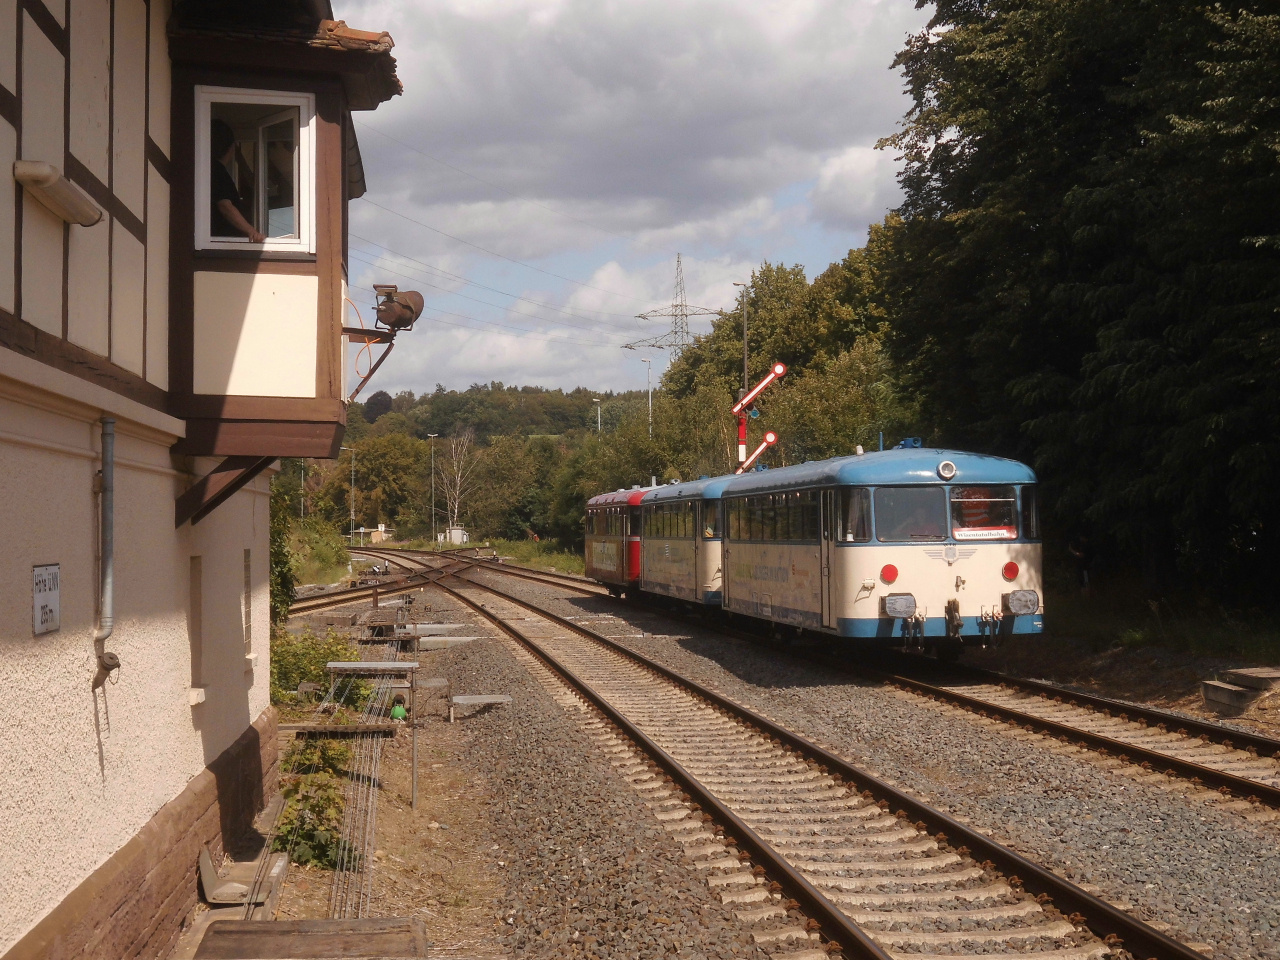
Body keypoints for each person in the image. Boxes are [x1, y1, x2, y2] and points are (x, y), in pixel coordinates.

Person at [210, 119, 265, 243]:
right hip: (221, 246)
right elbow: (225, 205)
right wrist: (252, 232)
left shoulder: (209, 170)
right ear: (231, 147)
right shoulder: (217, 172)